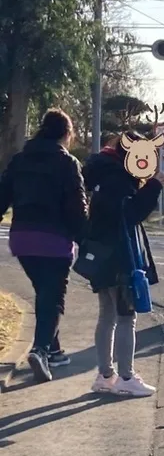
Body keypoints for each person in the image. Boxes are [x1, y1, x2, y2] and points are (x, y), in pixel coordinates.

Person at [0, 108, 88, 383]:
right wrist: (84, 236)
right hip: (53, 238)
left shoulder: (20, 160)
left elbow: (2, 195)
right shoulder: (67, 162)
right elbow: (76, 205)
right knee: (53, 298)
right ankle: (40, 350)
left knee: (44, 293)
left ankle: (55, 350)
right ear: (66, 134)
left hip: (22, 238)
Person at [81, 132, 164, 397]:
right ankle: (127, 377)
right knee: (127, 317)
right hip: (120, 255)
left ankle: (105, 375)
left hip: (101, 253)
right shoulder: (118, 178)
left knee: (106, 315)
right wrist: (153, 186)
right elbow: (129, 214)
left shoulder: (102, 172)